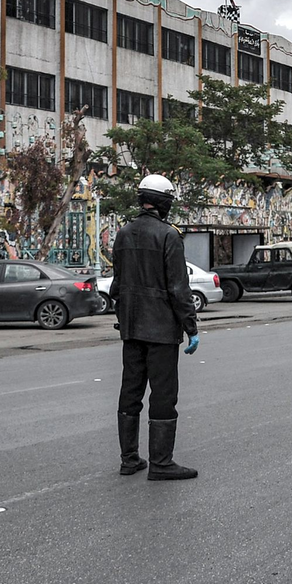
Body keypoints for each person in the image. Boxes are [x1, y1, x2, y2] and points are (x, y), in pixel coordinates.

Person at [109, 174, 200, 480]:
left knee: (130, 391)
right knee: (163, 394)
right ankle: (161, 463)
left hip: (131, 328)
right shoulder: (168, 236)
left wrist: (125, 318)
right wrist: (191, 327)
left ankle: (129, 459)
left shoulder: (123, 234)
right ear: (164, 203)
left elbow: (118, 285)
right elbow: (178, 288)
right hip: (161, 331)